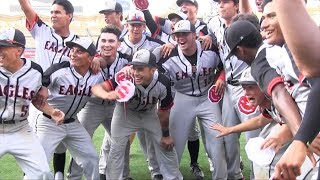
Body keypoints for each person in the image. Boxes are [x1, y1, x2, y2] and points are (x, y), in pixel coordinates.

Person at [18, 0, 99, 178]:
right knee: (37, 151)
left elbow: (94, 56)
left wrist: (97, 60)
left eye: (58, 12)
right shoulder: (42, 30)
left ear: (69, 16)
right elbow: (27, 8)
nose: (53, 15)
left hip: (65, 96)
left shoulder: (77, 43)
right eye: (52, 12)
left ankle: (59, 174)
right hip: (40, 97)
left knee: (62, 142)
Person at [91, 49, 183, 180]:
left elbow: (163, 111)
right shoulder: (125, 76)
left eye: (140, 69)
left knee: (166, 145)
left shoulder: (163, 82)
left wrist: (166, 135)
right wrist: (107, 94)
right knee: (116, 149)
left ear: (153, 69)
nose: (136, 73)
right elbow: (96, 88)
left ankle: (173, 177)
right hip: (125, 114)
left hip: (149, 114)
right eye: (134, 68)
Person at [211, 67, 317, 179]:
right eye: (244, 88)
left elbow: (294, 121)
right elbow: (260, 120)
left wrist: (281, 135)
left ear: (263, 86)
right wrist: (230, 130)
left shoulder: (283, 101)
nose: (246, 93)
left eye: (251, 87)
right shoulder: (270, 104)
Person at [157, 19, 227, 179]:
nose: (180, 38)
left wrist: (220, 77)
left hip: (207, 98)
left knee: (217, 141)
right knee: (174, 143)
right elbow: (154, 74)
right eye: (177, 35)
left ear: (195, 35)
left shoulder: (210, 49)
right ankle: (170, 177)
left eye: (185, 34)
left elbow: (224, 65)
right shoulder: (168, 54)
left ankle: (221, 177)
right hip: (182, 98)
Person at [202, 0, 260, 179]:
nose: (220, 5)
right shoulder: (213, 24)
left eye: (225, 2)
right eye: (218, 2)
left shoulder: (247, 23)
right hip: (228, 87)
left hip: (249, 87)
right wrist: (206, 36)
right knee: (227, 135)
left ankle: (258, 175)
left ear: (236, 5)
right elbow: (206, 38)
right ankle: (235, 175)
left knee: (253, 138)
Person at [34, 37, 102, 180]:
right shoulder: (58, 69)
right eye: (72, 50)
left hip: (73, 123)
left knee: (92, 159)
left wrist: (99, 60)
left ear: (90, 57)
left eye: (79, 51)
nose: (72, 53)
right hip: (49, 123)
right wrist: (44, 92)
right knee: (38, 165)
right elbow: (36, 97)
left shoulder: (97, 76)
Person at [119, 9, 165, 179]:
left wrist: (170, 45)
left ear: (144, 27)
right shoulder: (118, 43)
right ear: (127, 26)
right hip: (125, 100)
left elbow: (169, 52)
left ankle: (156, 170)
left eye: (139, 25)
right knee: (120, 140)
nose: (136, 28)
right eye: (132, 25)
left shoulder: (155, 44)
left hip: (148, 98)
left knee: (152, 138)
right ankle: (122, 174)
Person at [0, 27, 52, 180]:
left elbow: (38, 96)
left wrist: (51, 110)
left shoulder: (35, 71)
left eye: (4, 47)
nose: (0, 50)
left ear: (19, 50)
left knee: (43, 174)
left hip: (20, 129)